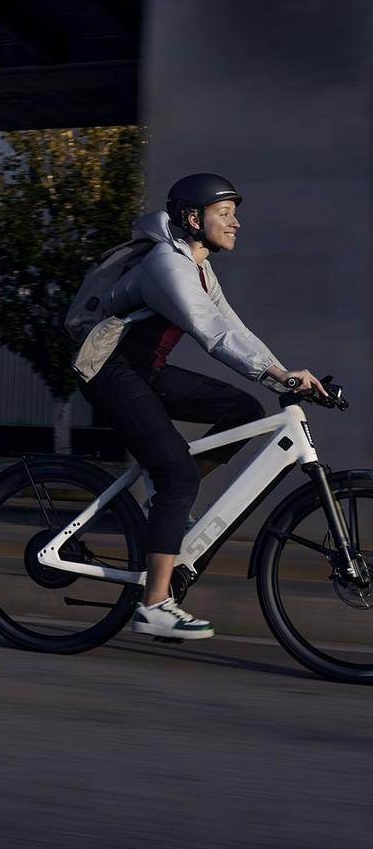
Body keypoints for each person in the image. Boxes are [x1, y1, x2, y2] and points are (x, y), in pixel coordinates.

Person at [72, 173, 326, 639]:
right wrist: (277, 375)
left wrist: (282, 373)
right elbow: (213, 332)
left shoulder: (200, 267)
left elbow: (236, 328)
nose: (237, 224)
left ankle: (161, 500)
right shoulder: (168, 265)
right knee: (180, 477)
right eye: (225, 214)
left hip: (146, 370)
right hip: (110, 369)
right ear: (193, 218)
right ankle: (154, 604)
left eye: (234, 214)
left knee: (243, 409)